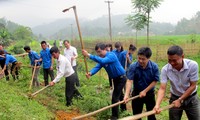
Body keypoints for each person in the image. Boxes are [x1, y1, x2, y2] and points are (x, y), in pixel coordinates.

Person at [82, 43, 126, 120]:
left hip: (121, 78)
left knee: (115, 97)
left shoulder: (111, 55)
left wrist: (89, 55)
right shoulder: (102, 59)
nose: (98, 54)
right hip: (115, 79)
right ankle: (124, 110)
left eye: (99, 52)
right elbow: (97, 66)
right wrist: (90, 73)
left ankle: (114, 117)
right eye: (97, 52)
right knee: (120, 95)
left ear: (105, 49)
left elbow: (102, 61)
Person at [154, 45, 200, 120]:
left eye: (174, 60)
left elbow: (193, 86)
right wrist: (157, 105)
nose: (171, 63)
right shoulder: (165, 69)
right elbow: (162, 88)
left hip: (191, 99)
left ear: (182, 56)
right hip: (174, 99)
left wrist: (180, 99)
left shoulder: (192, 65)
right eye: (169, 60)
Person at [124, 47, 159, 120]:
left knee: (151, 114)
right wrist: (126, 95)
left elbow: (155, 81)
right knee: (136, 115)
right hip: (137, 93)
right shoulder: (133, 66)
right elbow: (129, 81)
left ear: (148, 58)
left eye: (143, 59)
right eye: (139, 58)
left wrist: (145, 91)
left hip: (149, 94)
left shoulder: (154, 67)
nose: (140, 61)